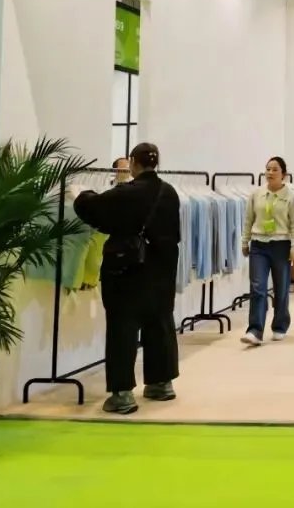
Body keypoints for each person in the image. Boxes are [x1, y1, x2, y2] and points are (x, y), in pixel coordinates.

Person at [73, 142, 181, 415]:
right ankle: (161, 383)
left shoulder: (126, 193)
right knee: (160, 324)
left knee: (123, 329)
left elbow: (91, 208)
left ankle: (122, 394)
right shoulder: (169, 193)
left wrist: (81, 193)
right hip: (162, 271)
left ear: (133, 162)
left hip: (127, 273)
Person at [241, 156, 294, 346]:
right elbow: (248, 219)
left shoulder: (291, 196)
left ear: (284, 174)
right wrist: (245, 241)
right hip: (258, 244)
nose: (270, 172)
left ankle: (280, 325)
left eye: (275, 169)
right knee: (257, 287)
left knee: (281, 288)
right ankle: (255, 330)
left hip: (281, 244)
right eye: (268, 169)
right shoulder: (256, 194)